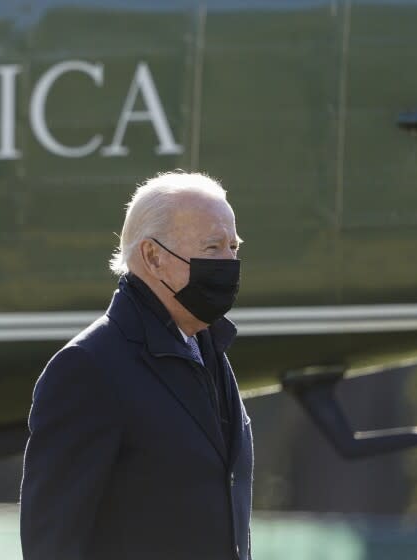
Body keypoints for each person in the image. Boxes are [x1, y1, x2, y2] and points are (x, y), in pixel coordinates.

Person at [19, 171, 252, 560]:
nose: (230, 262)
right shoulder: (88, 367)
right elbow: (51, 543)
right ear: (152, 256)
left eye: (233, 245)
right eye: (213, 247)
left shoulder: (208, 351)